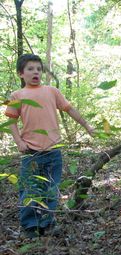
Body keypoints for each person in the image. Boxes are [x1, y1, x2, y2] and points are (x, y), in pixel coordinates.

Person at [5, 54, 94, 238]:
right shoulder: (17, 95)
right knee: (30, 188)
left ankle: (47, 222)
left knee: (51, 188)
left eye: (38, 68)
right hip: (31, 151)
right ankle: (30, 226)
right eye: (30, 69)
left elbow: (69, 109)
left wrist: (87, 126)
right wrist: (19, 142)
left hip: (53, 149)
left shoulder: (52, 91)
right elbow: (11, 122)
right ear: (21, 73)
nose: (35, 72)